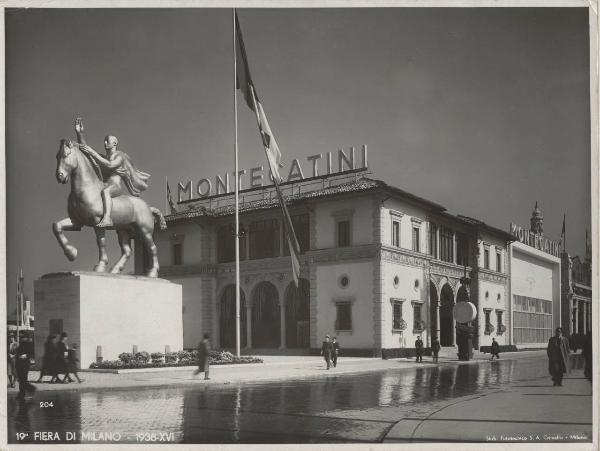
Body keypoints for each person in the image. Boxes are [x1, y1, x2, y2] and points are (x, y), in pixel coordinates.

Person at [75, 118, 150, 227]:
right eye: (104, 141)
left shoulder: (120, 156)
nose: (105, 143)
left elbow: (110, 165)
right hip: (104, 184)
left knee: (105, 192)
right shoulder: (104, 157)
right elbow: (86, 151)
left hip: (115, 186)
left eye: (107, 141)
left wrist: (93, 153)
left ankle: (107, 218)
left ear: (114, 143)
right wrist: (80, 134)